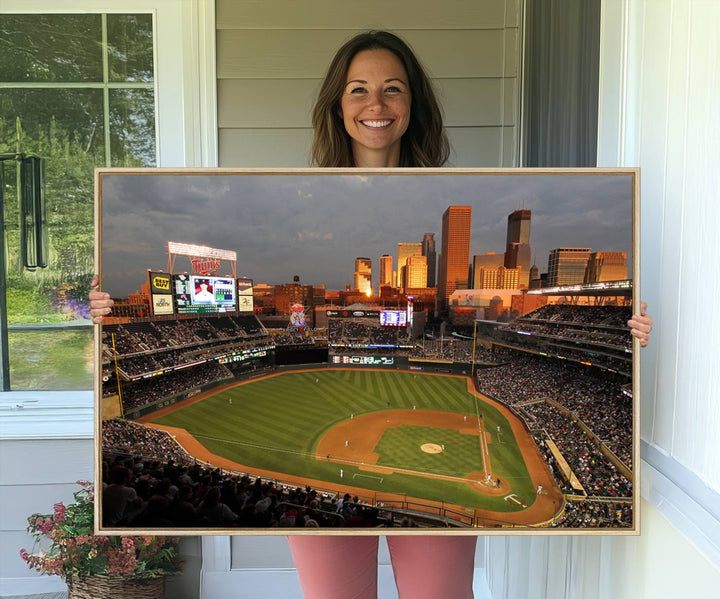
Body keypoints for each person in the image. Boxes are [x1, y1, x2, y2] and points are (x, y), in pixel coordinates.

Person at [89, 29, 653, 599]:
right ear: (338, 104)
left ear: (413, 105)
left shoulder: (451, 191)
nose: (375, 105)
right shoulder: (297, 188)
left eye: (393, 89)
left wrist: (629, 326)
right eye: (358, 89)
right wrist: (104, 311)